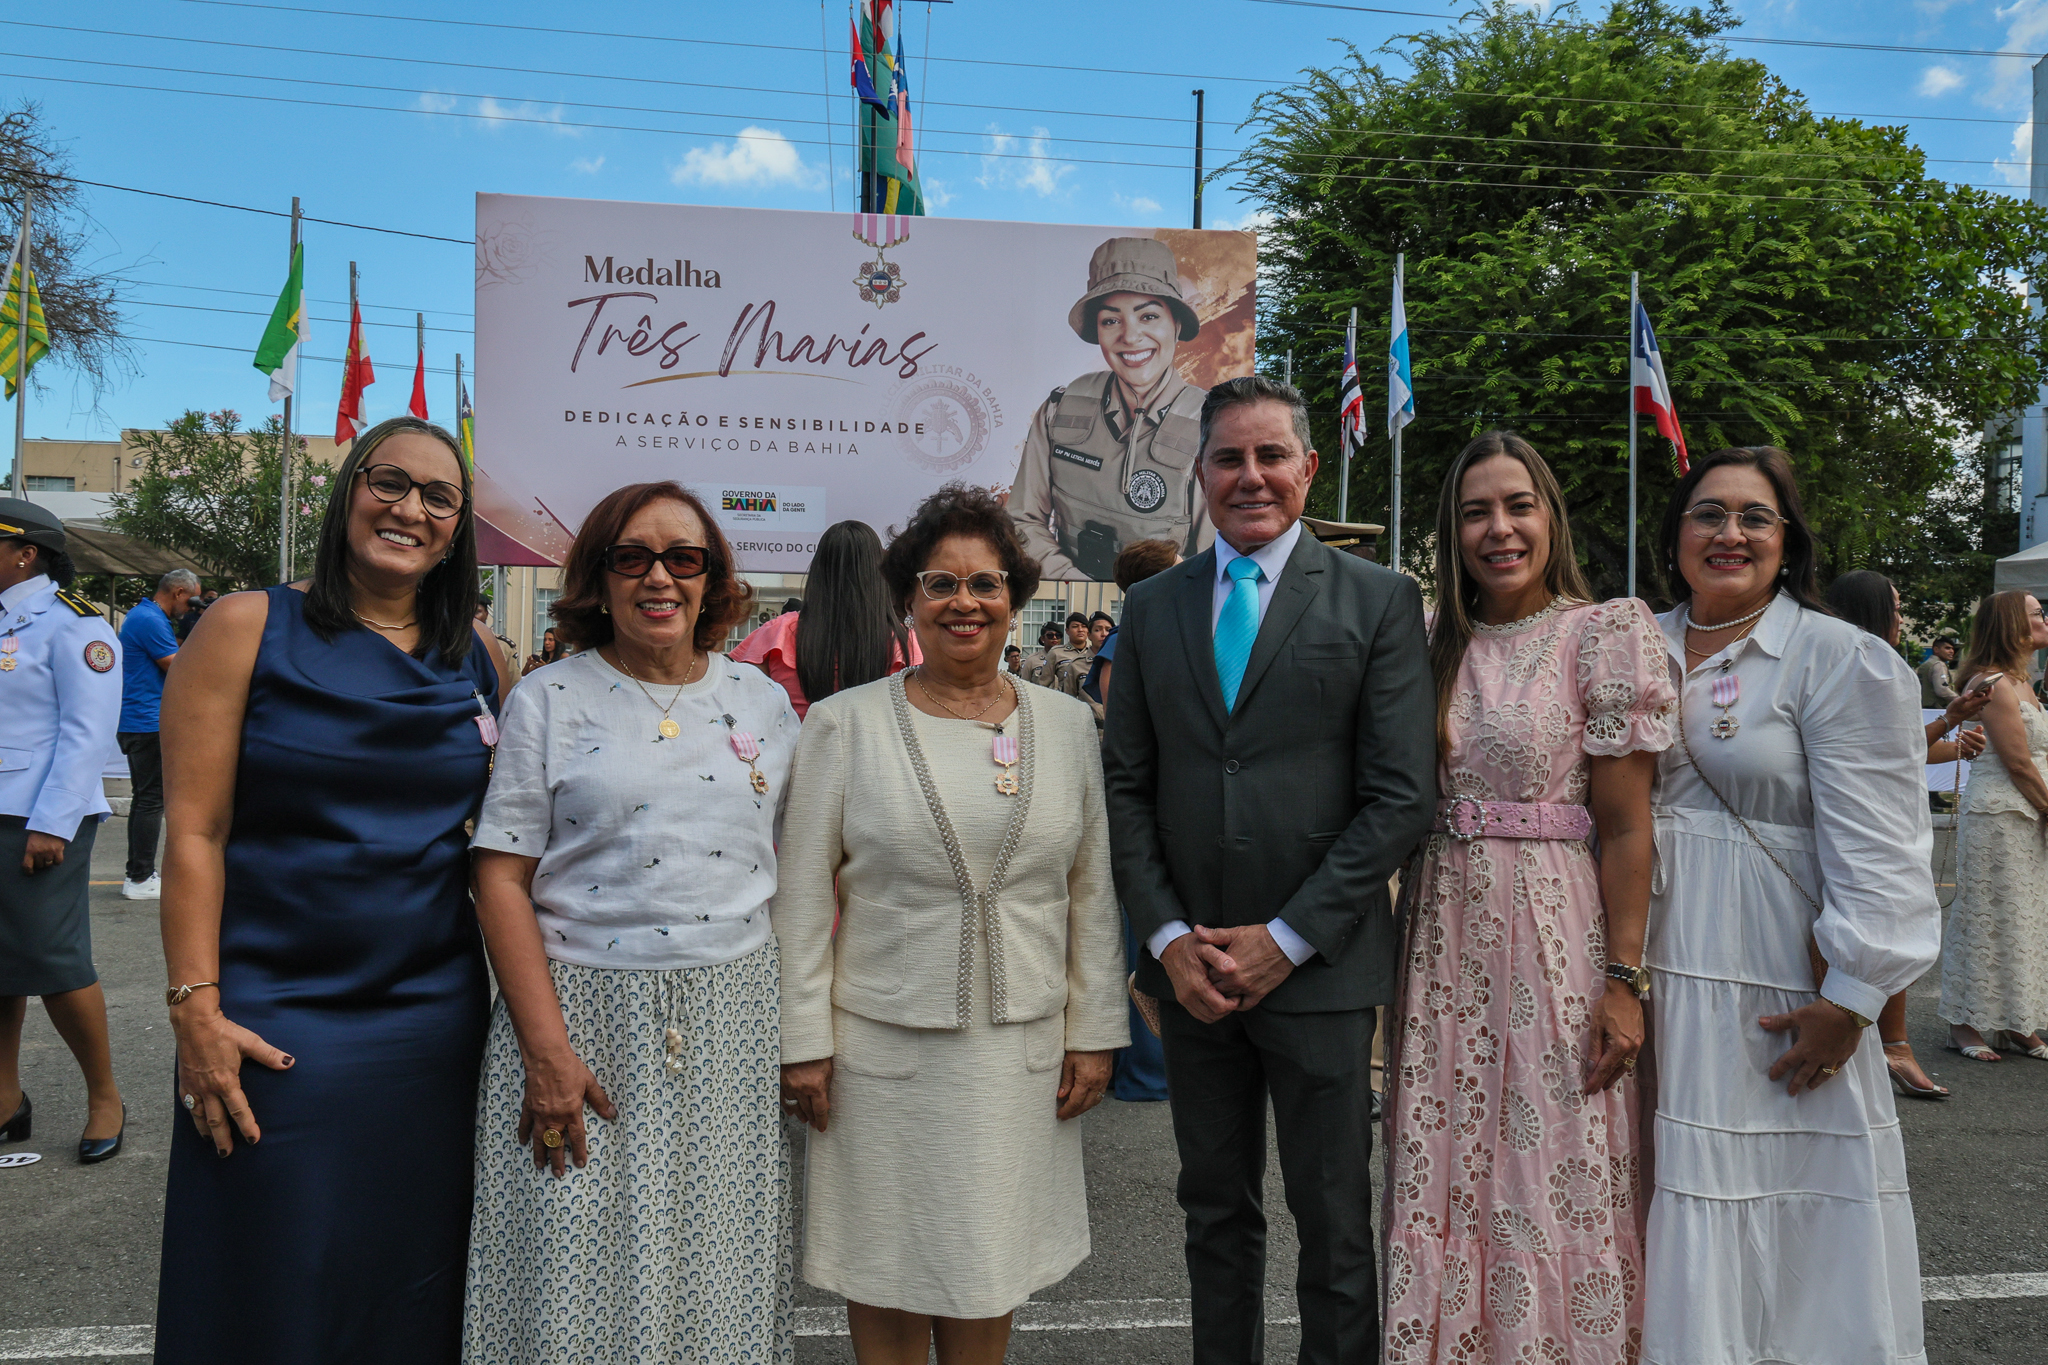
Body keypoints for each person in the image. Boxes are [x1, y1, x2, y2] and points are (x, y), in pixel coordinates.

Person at [155, 416, 510, 1364]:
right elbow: (194, 832)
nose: (410, 509)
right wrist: (194, 1007)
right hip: (273, 1011)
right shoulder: (244, 625)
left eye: (439, 497)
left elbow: (507, 845)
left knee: (407, 1276)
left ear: (458, 529)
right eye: (389, 482)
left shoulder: (481, 655)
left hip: (429, 1021)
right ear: (348, 491)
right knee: (270, 1274)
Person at [1103, 376, 1436, 1361]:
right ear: (1199, 473)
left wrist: (1286, 940)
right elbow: (1124, 786)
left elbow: (1398, 796)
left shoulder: (1379, 600)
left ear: (1309, 468)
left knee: (1334, 1223)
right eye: (1228, 458)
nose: (1250, 476)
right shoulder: (1152, 607)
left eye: (1270, 455)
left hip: (1320, 970)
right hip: (1194, 972)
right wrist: (1168, 938)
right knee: (1214, 1214)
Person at [777, 484, 1128, 1365]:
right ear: (908, 599)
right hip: (879, 1053)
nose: (964, 602)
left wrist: (1095, 1031)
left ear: (1015, 597)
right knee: (885, 1260)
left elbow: (1091, 890)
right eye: (940, 583)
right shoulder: (843, 725)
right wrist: (802, 1041)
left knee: (988, 1261)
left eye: (985, 583)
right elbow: (802, 897)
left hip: (1019, 1053)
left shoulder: (1067, 726)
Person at [464, 482, 797, 1361]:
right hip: (578, 1017)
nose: (659, 577)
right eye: (632, 557)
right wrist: (546, 1054)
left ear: (712, 577)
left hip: (732, 1018)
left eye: (683, 558)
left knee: (712, 1268)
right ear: (599, 576)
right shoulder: (549, 697)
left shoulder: (762, 700)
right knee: (573, 1267)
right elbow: (500, 874)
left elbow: (801, 861)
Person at [1641, 446, 1937, 1364]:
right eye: (1708, 513)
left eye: (1754, 517)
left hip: (1775, 977)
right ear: (1676, 533)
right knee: (1662, 1193)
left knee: (1793, 1203)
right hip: (1649, 973)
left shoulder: (1837, 657)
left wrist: (1856, 997)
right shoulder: (1632, 639)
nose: (1729, 533)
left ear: (1789, 540)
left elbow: (1885, 846)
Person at [1379, 433, 1671, 1356]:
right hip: (1439, 931)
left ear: (1552, 517)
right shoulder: (1427, 639)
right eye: (1476, 512)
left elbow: (1627, 826)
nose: (1498, 529)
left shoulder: (1603, 633)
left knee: (1549, 1154)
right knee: (1444, 1157)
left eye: (1518, 505)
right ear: (1452, 530)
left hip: (1553, 930)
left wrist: (1624, 978)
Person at [1826, 569, 1990, 1099]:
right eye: (1895, 607)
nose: (1900, 617)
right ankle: (1890, 1044)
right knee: (1885, 926)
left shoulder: (1856, 662)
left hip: (1869, 812)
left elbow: (1903, 746)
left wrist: (1953, 735)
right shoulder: (1869, 664)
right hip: (1867, 820)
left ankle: (1883, 1043)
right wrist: (1951, 718)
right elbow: (1894, 751)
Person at [0, 498, 127, 1164]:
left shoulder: (74, 626)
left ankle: (105, 1097)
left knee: (54, 962)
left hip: (39, 816)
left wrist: (53, 822)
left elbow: (87, 731)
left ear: (26, 554)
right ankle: (5, 1099)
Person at [1008, 236, 1213, 580]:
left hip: (1166, 604)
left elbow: (1213, 561)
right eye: (1111, 320)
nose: (1130, 337)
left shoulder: (1211, 427)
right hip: (1071, 600)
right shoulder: (1061, 409)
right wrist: (1079, 589)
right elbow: (1022, 520)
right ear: (1097, 330)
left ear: (1176, 325)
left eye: (1148, 316)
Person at [1938, 588, 2048, 1066]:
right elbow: (2018, 762)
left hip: (2026, 812)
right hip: (2001, 816)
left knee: (2025, 919)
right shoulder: (1995, 683)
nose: (2046, 620)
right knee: (1989, 915)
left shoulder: (2024, 681)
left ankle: (2016, 1019)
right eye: (2038, 613)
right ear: (2012, 625)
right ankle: (1963, 1021)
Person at [1100, 538, 1180, 1106]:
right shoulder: (1125, 640)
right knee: (1142, 933)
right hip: (1144, 800)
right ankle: (1143, 1067)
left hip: (1168, 796)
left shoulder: (1158, 629)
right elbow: (1127, 728)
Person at [731, 518, 918, 720]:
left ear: (818, 570)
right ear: (878, 575)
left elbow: (733, 689)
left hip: (797, 740)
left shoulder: (777, 632)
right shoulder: (905, 643)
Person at [116, 568, 199, 900]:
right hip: (146, 721)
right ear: (179, 592)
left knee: (146, 799)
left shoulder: (146, 616)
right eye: (191, 601)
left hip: (141, 719)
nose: (190, 608)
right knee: (151, 800)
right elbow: (177, 666)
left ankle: (139, 874)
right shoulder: (149, 620)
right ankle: (139, 878)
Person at [1030, 612, 1092, 692]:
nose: (1080, 630)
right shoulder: (1056, 653)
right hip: (1066, 697)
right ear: (1067, 631)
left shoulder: (1094, 653)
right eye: (1075, 626)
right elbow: (1044, 683)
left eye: (1084, 626)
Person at [1919, 634, 1959, 708]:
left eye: (1952, 649)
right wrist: (1960, 699)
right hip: (1936, 709)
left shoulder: (1926, 664)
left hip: (1924, 708)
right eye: (1947, 648)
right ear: (1936, 649)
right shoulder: (1938, 665)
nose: (1951, 651)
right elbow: (1942, 690)